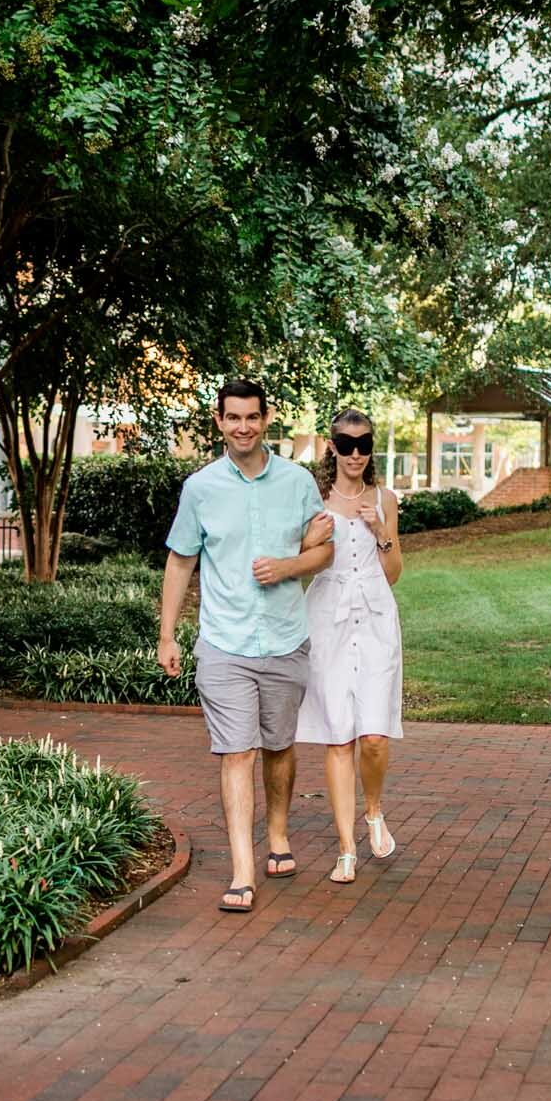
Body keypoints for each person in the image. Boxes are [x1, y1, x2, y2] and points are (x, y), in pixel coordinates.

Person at [159, 379, 335, 913]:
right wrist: (167, 633)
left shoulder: (298, 482)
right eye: (233, 417)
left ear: (267, 418)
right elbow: (180, 561)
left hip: (284, 637)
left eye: (252, 417)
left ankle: (278, 834)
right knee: (237, 752)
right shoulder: (201, 487)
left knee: (280, 747)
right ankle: (241, 871)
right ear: (218, 421)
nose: (243, 426)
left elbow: (323, 551)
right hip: (224, 642)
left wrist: (287, 566)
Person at [295, 408, 405, 883]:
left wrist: (381, 531)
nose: (355, 453)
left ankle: (374, 810)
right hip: (329, 621)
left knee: (375, 738)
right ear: (332, 447)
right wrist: (310, 540)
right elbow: (302, 564)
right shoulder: (314, 500)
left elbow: (395, 573)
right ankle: (345, 849)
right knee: (338, 734)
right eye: (346, 443)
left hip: (377, 620)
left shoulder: (386, 498)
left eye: (364, 445)